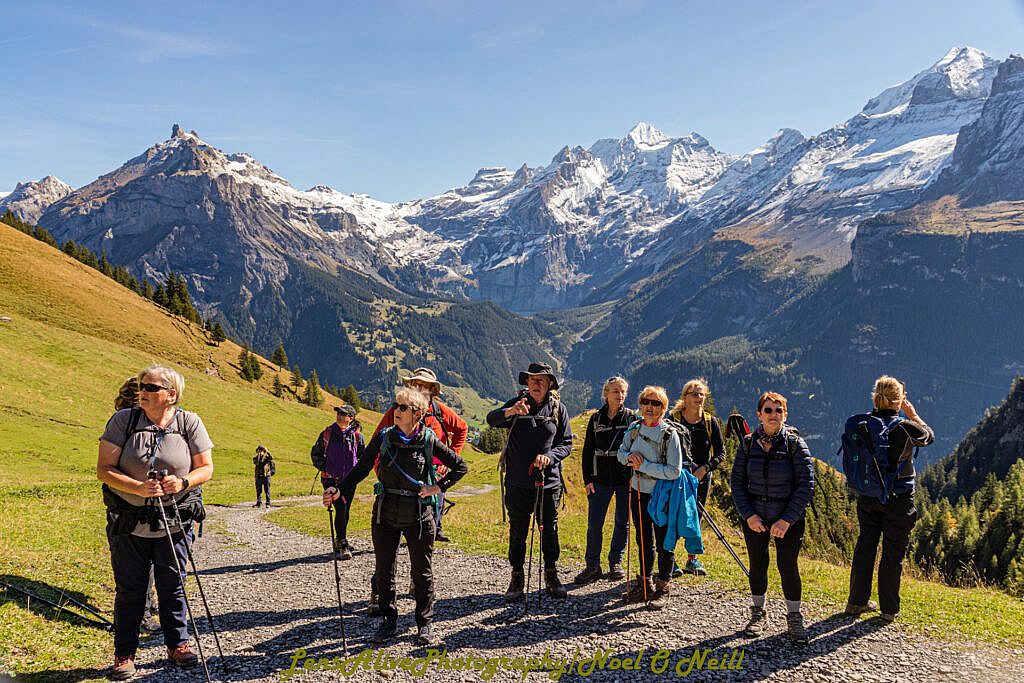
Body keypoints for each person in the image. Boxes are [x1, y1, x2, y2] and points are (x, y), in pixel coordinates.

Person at [323, 387, 467, 645]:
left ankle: (424, 624)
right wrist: (338, 489)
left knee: (422, 572)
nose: (396, 411)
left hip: (419, 516)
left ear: (418, 414)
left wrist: (438, 487)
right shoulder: (384, 437)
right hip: (385, 513)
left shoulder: (428, 440)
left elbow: (460, 466)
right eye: (395, 405)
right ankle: (389, 621)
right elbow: (361, 468)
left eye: (402, 407)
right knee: (384, 570)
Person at [97, 365, 214, 679]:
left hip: (175, 520)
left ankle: (178, 645)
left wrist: (184, 483)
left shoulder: (189, 422)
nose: (142, 392)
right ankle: (124, 655)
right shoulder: (124, 420)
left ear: (170, 395)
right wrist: (137, 487)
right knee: (130, 589)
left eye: (150, 387)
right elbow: (104, 469)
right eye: (140, 385)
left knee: (173, 585)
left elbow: (206, 468)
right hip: (129, 521)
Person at [845, 376, 933, 622]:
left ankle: (856, 602)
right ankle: (888, 609)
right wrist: (912, 413)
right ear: (898, 401)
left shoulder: (862, 423)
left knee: (865, 547)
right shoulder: (904, 426)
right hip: (899, 499)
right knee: (893, 552)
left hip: (868, 496)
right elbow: (928, 436)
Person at [731, 391, 814, 643]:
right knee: (758, 565)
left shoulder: (795, 444)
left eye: (779, 410)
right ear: (759, 414)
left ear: (785, 415)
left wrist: (787, 520)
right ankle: (757, 614)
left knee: (788, 566)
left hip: (788, 520)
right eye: (768, 410)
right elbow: (737, 483)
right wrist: (749, 516)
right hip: (756, 517)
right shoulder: (747, 443)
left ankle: (794, 618)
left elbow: (806, 485)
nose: (773, 415)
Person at [487, 361, 573, 602]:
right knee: (517, 532)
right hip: (517, 483)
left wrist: (549, 457)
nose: (536, 383)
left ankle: (551, 574)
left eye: (541, 380)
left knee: (550, 530)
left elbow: (566, 444)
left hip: (548, 483)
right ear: (526, 383)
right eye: (532, 379)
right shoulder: (517, 405)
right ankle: (516, 578)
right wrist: (511, 412)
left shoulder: (558, 409)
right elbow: (491, 419)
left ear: (549, 385)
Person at [373, 367, 467, 542]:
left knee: (434, 506)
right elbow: (378, 441)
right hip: (401, 472)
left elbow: (462, 428)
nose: (420, 389)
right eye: (416, 384)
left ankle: (431, 534)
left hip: (433, 473)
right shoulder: (399, 409)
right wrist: (380, 470)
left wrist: (451, 458)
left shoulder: (440, 411)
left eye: (425, 386)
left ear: (432, 390)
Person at [616, 386, 682, 610]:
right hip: (637, 492)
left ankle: (663, 587)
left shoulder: (669, 434)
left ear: (663, 408)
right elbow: (621, 453)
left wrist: (644, 465)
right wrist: (628, 458)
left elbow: (675, 471)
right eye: (646, 402)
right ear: (641, 404)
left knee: (664, 541)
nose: (650, 407)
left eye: (656, 403)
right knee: (643, 538)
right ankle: (645, 584)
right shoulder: (634, 428)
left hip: (661, 495)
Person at [575, 376, 636, 584]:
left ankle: (615, 563)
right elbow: (587, 451)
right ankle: (592, 565)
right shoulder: (596, 419)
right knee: (594, 523)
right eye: (615, 391)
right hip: (599, 480)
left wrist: (633, 479)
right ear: (606, 393)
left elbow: (636, 450)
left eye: (622, 392)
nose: (619, 395)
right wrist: (587, 479)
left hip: (624, 479)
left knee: (622, 522)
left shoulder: (631, 419)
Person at [114, 377, 161, 636]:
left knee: (139, 561)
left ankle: (147, 605)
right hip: (135, 503)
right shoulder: (131, 425)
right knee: (140, 562)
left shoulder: (120, 422)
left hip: (123, 504)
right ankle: (141, 616)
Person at [668, 378, 726, 576]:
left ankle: (692, 559)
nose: (699, 397)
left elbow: (721, 453)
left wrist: (705, 468)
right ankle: (670, 559)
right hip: (677, 476)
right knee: (673, 515)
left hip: (701, 477)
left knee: (696, 517)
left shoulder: (710, 422)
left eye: (702, 394)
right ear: (685, 397)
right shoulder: (674, 419)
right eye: (694, 394)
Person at [311, 404, 364, 561]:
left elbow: (362, 457)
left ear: (351, 418)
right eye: (338, 413)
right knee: (340, 508)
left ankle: (341, 538)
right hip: (330, 479)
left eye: (344, 414)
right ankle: (342, 544)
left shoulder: (357, 436)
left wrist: (356, 472)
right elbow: (316, 453)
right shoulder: (327, 433)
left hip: (349, 481)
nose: (340, 416)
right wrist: (326, 467)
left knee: (345, 510)